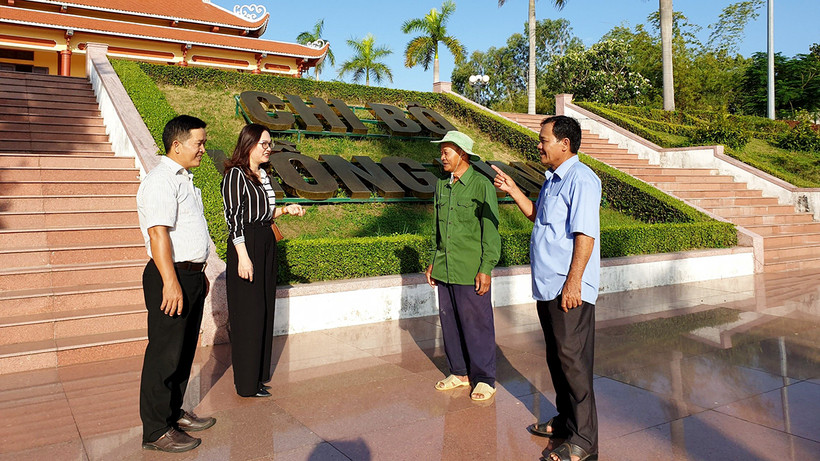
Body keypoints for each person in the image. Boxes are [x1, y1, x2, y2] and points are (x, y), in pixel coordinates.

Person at [492, 115, 601, 461]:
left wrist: (574, 283)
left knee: (574, 363)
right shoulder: (553, 179)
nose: (539, 145)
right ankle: (566, 421)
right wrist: (513, 190)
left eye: (543, 140)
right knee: (557, 359)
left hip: (568, 289)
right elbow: (539, 214)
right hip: (547, 286)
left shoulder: (581, 180)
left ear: (564, 144)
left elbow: (585, 235)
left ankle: (584, 440)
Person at [137, 115, 216, 453]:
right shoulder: (161, 180)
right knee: (164, 355)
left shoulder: (186, 180)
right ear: (178, 144)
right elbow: (158, 233)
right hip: (170, 275)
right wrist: (171, 282)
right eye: (199, 142)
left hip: (190, 275)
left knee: (183, 353)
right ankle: (155, 431)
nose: (203, 148)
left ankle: (173, 413)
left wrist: (201, 275)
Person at [221, 123, 305, 398]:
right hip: (246, 246)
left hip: (265, 242)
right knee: (248, 315)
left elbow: (262, 213)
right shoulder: (235, 175)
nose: (269, 149)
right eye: (264, 144)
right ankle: (245, 383)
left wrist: (284, 210)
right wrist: (243, 258)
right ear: (249, 145)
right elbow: (234, 220)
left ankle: (257, 377)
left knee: (264, 310)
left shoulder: (262, 175)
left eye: (270, 144)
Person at [425, 131, 501, 402]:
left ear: (463, 155)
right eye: (442, 152)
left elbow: (490, 231)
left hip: (471, 269)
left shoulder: (481, 185)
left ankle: (484, 379)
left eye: (447, 152)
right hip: (445, 267)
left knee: (477, 324)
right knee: (450, 322)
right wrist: (434, 260)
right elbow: (437, 228)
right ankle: (459, 372)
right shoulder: (441, 185)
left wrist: (486, 267)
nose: (442, 156)